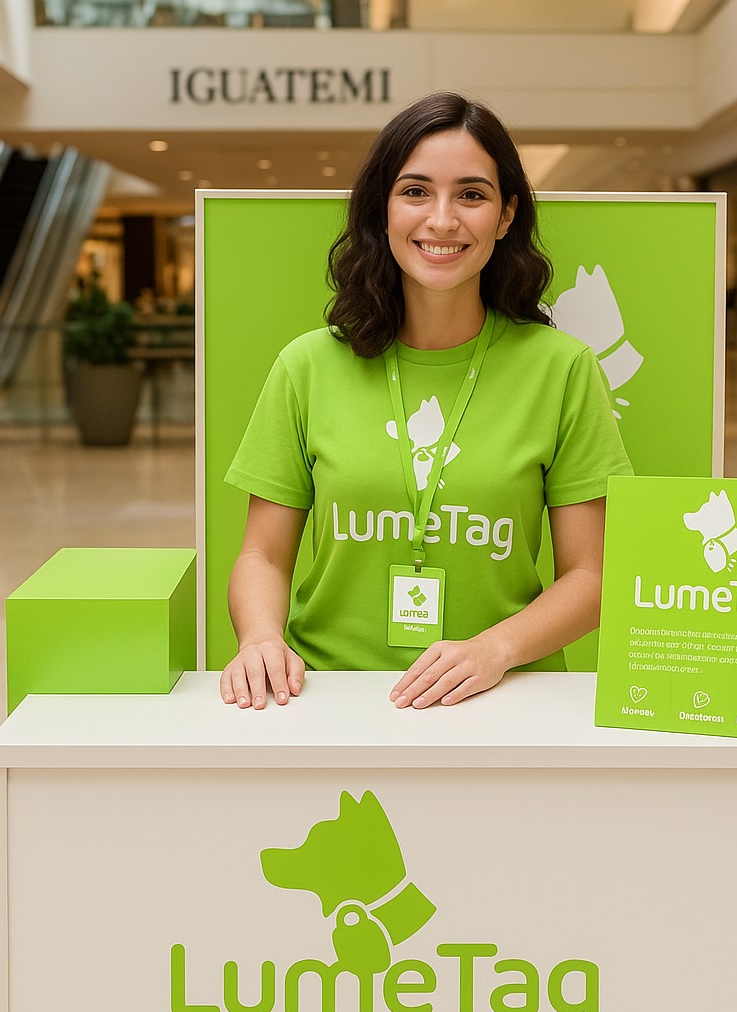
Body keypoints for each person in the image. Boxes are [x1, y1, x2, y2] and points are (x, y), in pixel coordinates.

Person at [221, 91, 633, 711]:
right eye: (415, 191)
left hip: (506, 697)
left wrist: (495, 649)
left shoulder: (563, 369)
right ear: (381, 210)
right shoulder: (307, 366)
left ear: (506, 214)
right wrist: (258, 639)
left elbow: (591, 576)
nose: (442, 220)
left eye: (471, 194)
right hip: (330, 694)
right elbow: (263, 554)